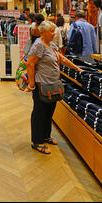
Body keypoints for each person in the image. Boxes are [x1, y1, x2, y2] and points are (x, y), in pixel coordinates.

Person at [26, 21, 84, 155]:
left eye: (54, 31)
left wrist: (77, 68)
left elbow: (61, 59)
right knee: (39, 113)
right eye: (51, 31)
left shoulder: (51, 45)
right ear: (43, 32)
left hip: (52, 84)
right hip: (41, 84)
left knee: (49, 112)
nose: (54, 33)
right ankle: (37, 141)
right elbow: (30, 64)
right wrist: (31, 84)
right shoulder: (38, 45)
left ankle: (46, 136)